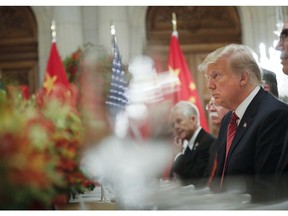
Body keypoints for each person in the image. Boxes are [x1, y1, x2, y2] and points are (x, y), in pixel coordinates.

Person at [198, 43, 288, 203]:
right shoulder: (228, 119)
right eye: (208, 77)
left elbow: (266, 192)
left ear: (243, 78)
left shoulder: (274, 115)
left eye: (216, 75)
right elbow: (220, 182)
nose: (209, 85)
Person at [169, 100, 216, 188]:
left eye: (179, 121)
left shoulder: (209, 143)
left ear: (193, 120)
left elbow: (195, 181)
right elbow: (173, 178)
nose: (176, 127)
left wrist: (178, 155)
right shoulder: (183, 145)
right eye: (173, 124)